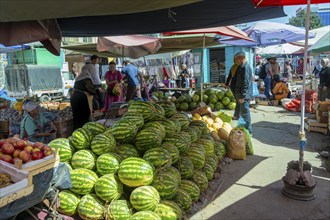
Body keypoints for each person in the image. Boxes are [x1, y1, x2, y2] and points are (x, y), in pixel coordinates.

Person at [228, 51, 253, 134]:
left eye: (237, 59)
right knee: (243, 113)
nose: (236, 61)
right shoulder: (241, 67)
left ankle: (249, 131)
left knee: (245, 113)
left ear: (241, 58)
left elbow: (245, 83)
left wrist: (242, 96)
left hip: (244, 95)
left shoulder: (245, 67)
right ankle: (245, 129)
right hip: (241, 94)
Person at [71, 64, 96, 130]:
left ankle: (76, 131)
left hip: (74, 98)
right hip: (82, 99)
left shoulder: (79, 77)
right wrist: (97, 90)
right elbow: (91, 91)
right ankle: (83, 132)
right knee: (84, 118)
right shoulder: (86, 78)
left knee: (76, 117)